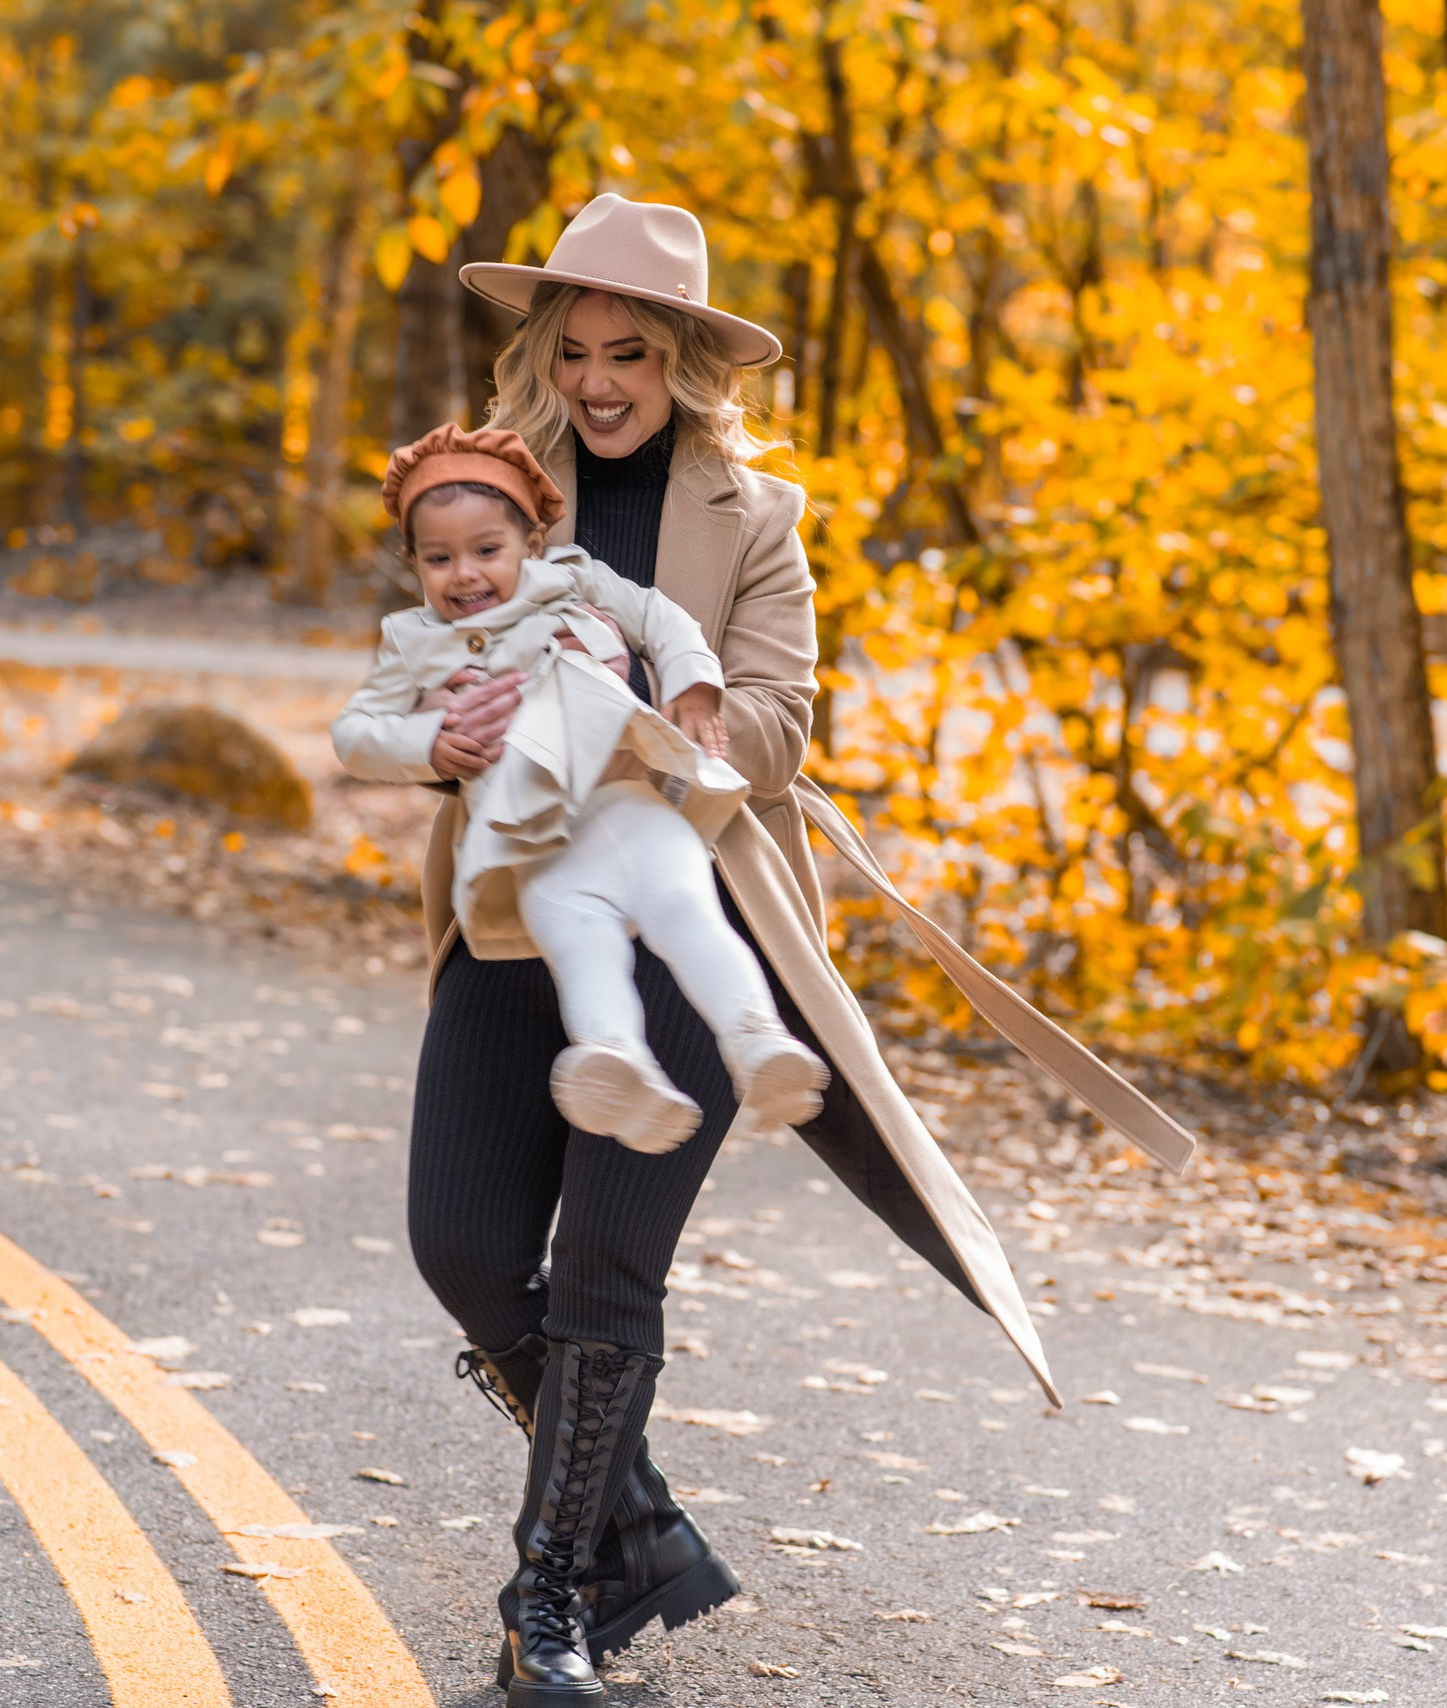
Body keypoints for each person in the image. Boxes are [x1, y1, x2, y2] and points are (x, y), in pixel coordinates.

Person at [398, 193, 1194, 1708]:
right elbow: (437, 655)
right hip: (516, 918)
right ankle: (634, 1528)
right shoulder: (497, 485)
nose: (598, 383)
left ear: (685, 361)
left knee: (606, 1267)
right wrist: (452, 728)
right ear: (543, 356)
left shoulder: (757, 518)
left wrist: (640, 716)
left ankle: (550, 1599)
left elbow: (773, 731)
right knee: (465, 1248)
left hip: (692, 918)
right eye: (574, 353)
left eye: (631, 354)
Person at [331, 424, 829, 1152]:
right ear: (414, 562)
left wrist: (692, 685)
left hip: (630, 805)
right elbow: (354, 734)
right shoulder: (415, 643)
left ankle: (758, 1041)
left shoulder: (573, 580)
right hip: (534, 846)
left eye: (487, 551)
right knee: (578, 944)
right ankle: (617, 1063)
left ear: (532, 543)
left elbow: (663, 619)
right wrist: (428, 743)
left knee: (686, 910)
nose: (464, 575)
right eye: (439, 558)